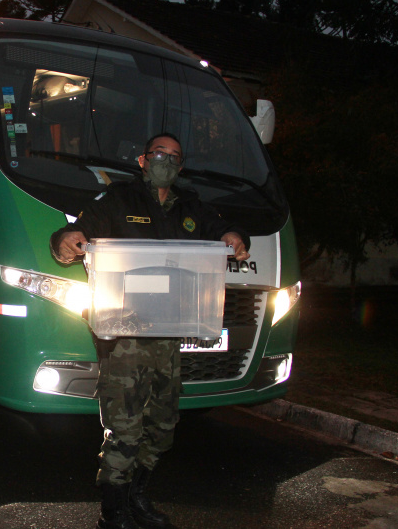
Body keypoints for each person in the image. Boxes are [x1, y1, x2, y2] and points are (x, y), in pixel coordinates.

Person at [49, 133, 250, 529]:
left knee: (162, 426)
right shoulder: (119, 199)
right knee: (124, 427)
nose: (167, 161)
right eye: (160, 154)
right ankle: (113, 511)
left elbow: (223, 229)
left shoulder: (190, 206)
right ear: (143, 160)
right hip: (124, 332)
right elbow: (74, 235)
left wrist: (234, 237)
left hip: (169, 333)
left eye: (175, 156)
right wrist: (66, 242)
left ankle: (138, 495)